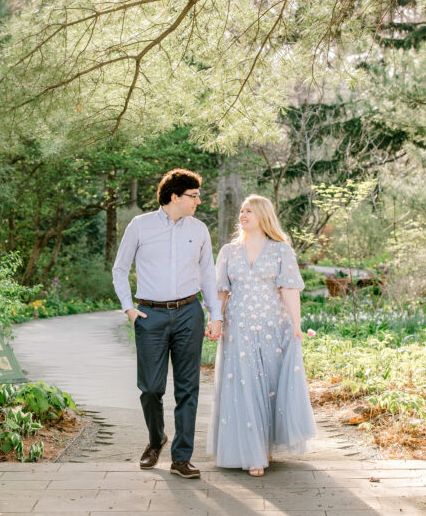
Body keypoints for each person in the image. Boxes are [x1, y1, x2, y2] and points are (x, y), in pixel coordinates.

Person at [112, 168, 222, 479]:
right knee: (150, 388)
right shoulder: (140, 226)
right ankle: (155, 438)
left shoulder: (199, 230)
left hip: (189, 313)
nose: (198, 201)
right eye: (193, 196)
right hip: (151, 315)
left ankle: (181, 458)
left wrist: (215, 315)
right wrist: (129, 309)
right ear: (174, 196)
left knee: (188, 388)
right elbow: (120, 269)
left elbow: (208, 275)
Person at [207, 194, 316, 476]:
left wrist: (296, 324)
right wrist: (215, 320)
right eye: (242, 211)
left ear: (263, 216)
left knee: (268, 386)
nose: (242, 216)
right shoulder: (229, 252)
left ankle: (264, 444)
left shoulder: (281, 250)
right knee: (243, 386)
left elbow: (289, 289)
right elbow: (221, 291)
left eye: (249, 212)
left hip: (272, 326)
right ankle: (252, 453)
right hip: (238, 327)